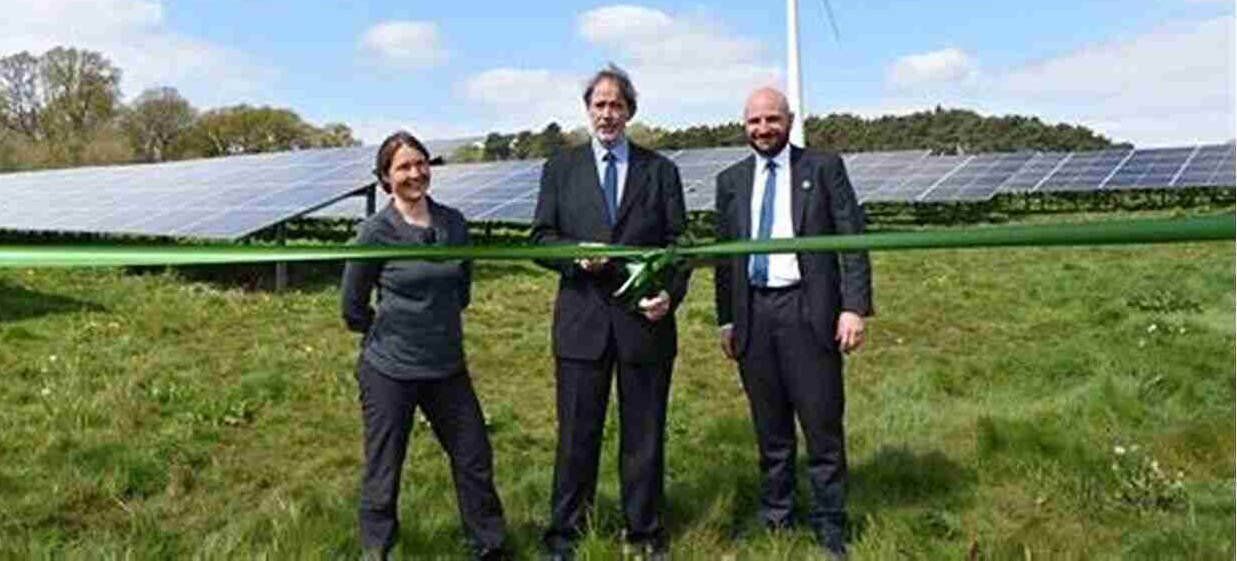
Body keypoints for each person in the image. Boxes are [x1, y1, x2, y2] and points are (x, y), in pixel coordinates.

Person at [531, 64, 690, 561]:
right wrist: (575, 255)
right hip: (582, 324)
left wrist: (670, 295)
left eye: (616, 105)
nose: (607, 113)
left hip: (645, 325)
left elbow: (680, 245)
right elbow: (540, 240)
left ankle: (643, 531)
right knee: (577, 433)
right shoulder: (560, 169)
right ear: (587, 110)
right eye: (599, 104)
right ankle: (565, 533)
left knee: (644, 435)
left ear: (629, 112)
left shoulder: (660, 170)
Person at [713, 87, 873, 559]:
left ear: (789, 120)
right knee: (770, 427)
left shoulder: (823, 168)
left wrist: (854, 307)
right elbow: (725, 259)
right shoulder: (731, 180)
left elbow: (851, 237)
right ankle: (777, 516)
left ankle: (830, 524)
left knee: (822, 424)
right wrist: (726, 319)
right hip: (753, 315)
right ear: (744, 125)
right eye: (755, 121)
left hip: (810, 310)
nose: (763, 129)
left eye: (772, 119)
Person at [341, 131, 508, 561]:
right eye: (403, 167)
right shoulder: (374, 233)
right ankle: (376, 548)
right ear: (385, 178)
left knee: (473, 457)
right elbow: (352, 307)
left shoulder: (454, 223)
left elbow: (463, 290)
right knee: (384, 467)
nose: (415, 174)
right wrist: (396, 332)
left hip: (447, 367)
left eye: (420, 164)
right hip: (389, 370)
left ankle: (488, 544)